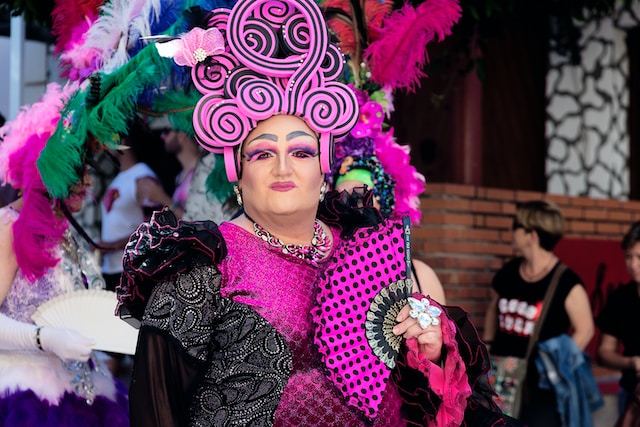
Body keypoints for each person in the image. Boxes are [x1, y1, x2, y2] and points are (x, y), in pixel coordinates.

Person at [116, 1, 515, 426]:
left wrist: (427, 353)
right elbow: (157, 412)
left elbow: (418, 400)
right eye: (263, 152)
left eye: (301, 152)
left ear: (324, 168)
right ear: (238, 173)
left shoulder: (369, 253)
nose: (284, 168)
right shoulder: (201, 268)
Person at [0, 82, 129, 426]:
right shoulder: (8, 228)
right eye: (78, 170)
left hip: (86, 393)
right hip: (26, 396)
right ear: (47, 170)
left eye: (89, 169)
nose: (88, 181)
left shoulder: (66, 228)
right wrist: (45, 339)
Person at [483, 200, 596, 425]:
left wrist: (557, 369)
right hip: (501, 377)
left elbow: (586, 330)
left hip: (541, 389)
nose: (512, 231)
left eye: (517, 225)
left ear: (531, 235)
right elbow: (493, 308)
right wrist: (486, 347)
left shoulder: (566, 282)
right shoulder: (510, 271)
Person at [98, 118, 175, 292]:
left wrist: (112, 245)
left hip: (133, 271)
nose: (104, 144)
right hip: (111, 270)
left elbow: (155, 229)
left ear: (122, 142)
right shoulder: (119, 178)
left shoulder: (142, 177)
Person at [596, 220, 640, 418]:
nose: (633, 264)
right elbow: (604, 352)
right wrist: (631, 362)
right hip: (630, 393)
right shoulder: (620, 299)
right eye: (629, 257)